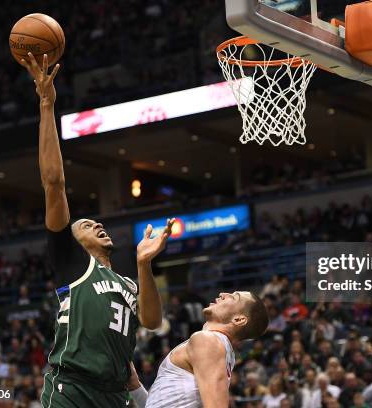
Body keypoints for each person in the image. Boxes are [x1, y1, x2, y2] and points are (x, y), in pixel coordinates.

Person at [20, 53, 173, 408]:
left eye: (97, 222)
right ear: (72, 242)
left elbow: (151, 320)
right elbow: (54, 183)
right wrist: (46, 104)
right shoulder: (72, 264)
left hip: (114, 395)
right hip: (71, 388)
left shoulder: (129, 284)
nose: (98, 224)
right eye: (87, 225)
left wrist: (144, 264)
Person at [128, 291, 269, 407]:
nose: (222, 294)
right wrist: (136, 387)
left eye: (232, 297)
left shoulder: (208, 341)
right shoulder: (216, 348)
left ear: (238, 319)